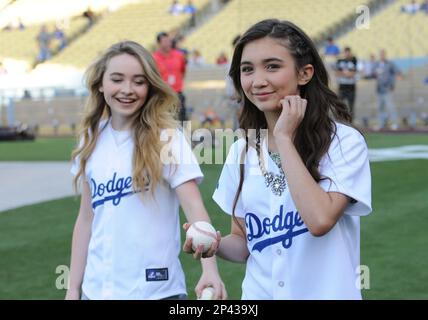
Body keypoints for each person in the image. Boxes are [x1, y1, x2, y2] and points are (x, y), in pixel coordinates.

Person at [207, 19, 372, 299]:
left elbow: (319, 220)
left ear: (305, 73)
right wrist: (214, 244)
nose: (258, 80)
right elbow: (243, 242)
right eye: (247, 69)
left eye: (272, 66)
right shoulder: (240, 152)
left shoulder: (343, 141)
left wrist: (283, 138)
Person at [65, 41, 226, 300]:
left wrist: (210, 269)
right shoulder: (91, 139)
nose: (127, 90)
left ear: (150, 87)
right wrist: (73, 288)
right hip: (96, 292)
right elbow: (86, 219)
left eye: (139, 81)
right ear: (100, 84)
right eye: (117, 79)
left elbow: (195, 209)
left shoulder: (168, 138)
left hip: (156, 291)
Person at [153, 32, 188, 123]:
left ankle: (185, 137)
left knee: (182, 119)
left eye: (169, 40)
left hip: (177, 92)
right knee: (164, 121)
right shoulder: (154, 58)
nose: (168, 43)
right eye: (164, 41)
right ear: (159, 43)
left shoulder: (179, 55)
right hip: (162, 94)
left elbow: (183, 71)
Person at [374, 49, 402, 130]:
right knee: (380, 107)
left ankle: (394, 123)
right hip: (379, 89)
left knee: (390, 107)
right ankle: (381, 123)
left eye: (383, 54)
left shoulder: (390, 64)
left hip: (387, 89)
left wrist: (392, 83)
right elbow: (373, 73)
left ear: (385, 55)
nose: (382, 55)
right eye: (381, 54)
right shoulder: (377, 64)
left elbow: (397, 72)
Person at [335, 47, 358, 121]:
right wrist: (347, 73)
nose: (347, 54)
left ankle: (351, 122)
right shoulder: (340, 61)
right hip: (342, 87)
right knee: (339, 106)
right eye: (346, 52)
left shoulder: (353, 60)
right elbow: (337, 73)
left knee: (351, 107)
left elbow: (352, 74)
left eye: (348, 52)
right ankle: (340, 121)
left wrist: (344, 73)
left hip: (351, 88)